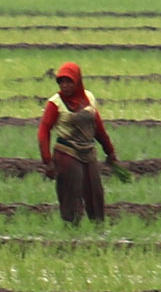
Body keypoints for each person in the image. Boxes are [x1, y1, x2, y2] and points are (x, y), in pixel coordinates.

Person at [39, 61, 119, 224]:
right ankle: (71, 233)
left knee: (95, 192)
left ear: (77, 81)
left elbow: (97, 127)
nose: (65, 85)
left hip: (88, 152)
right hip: (67, 153)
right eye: (61, 82)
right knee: (71, 193)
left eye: (69, 81)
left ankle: (98, 229)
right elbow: (43, 131)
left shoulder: (88, 98)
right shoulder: (55, 103)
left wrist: (109, 151)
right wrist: (47, 161)